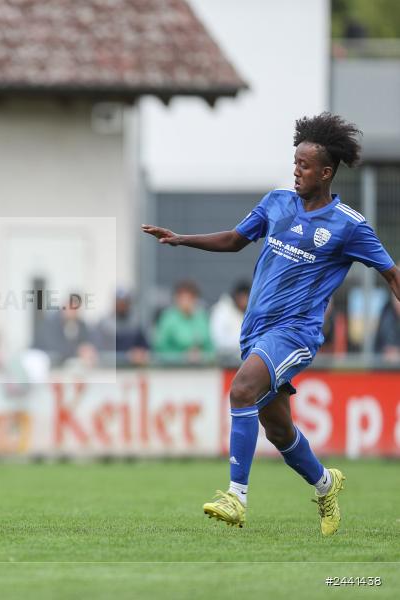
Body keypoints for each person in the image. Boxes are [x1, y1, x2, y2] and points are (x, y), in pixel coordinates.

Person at [142, 113, 400, 535]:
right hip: (256, 331)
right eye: (294, 162)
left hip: (295, 332)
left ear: (326, 172)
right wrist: (181, 238)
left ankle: (236, 497)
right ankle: (325, 484)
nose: (295, 170)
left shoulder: (349, 226)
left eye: (304, 165)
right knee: (279, 429)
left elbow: (391, 273)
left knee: (241, 387)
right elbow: (235, 239)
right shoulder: (276, 203)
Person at [152, 280, 214, 364]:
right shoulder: (168, 319)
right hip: (173, 370)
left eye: (190, 298)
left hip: (201, 369)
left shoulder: (201, 318)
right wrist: (182, 357)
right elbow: (159, 349)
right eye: (183, 298)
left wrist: (202, 356)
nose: (186, 302)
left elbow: (211, 348)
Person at [33, 292, 94, 367]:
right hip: (42, 362)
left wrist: (87, 349)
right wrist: (77, 351)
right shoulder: (50, 323)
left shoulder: (80, 324)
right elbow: (54, 347)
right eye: (71, 307)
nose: (73, 311)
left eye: (76, 309)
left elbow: (86, 340)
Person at [92, 287, 149, 366]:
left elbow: (145, 348)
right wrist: (126, 356)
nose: (122, 306)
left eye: (124, 302)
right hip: (107, 370)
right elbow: (99, 351)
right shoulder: (104, 325)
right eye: (119, 302)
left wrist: (139, 353)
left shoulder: (135, 324)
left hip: (130, 369)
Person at [209, 281, 251, 361]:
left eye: (246, 297)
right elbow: (218, 341)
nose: (244, 301)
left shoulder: (248, 312)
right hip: (224, 364)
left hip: (242, 362)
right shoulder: (221, 311)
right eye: (242, 297)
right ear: (236, 296)